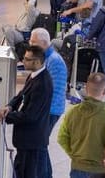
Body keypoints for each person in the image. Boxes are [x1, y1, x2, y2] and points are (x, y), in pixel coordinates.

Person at [0, 46, 53, 178]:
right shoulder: (33, 76)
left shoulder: (42, 84)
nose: (23, 61)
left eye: (27, 59)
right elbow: (21, 95)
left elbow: (31, 116)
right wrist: (9, 107)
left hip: (32, 141)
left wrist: (6, 116)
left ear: (37, 62)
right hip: (25, 142)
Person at [58, 72, 105, 177]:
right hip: (100, 170)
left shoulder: (72, 112)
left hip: (77, 168)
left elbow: (61, 138)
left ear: (86, 89)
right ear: (104, 92)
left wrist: (74, 155)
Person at [29, 28, 68, 175]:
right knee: (41, 146)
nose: (30, 44)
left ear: (44, 43)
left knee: (40, 146)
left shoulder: (54, 62)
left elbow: (54, 92)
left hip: (50, 111)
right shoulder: (44, 58)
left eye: (33, 41)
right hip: (45, 110)